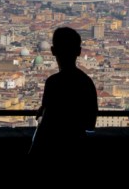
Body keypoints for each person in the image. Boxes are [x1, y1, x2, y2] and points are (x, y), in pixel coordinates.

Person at [28, 26, 99, 161]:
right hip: (77, 148)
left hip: (53, 150)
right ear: (78, 52)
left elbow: (46, 125)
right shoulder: (87, 83)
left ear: (53, 51)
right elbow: (90, 124)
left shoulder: (53, 83)